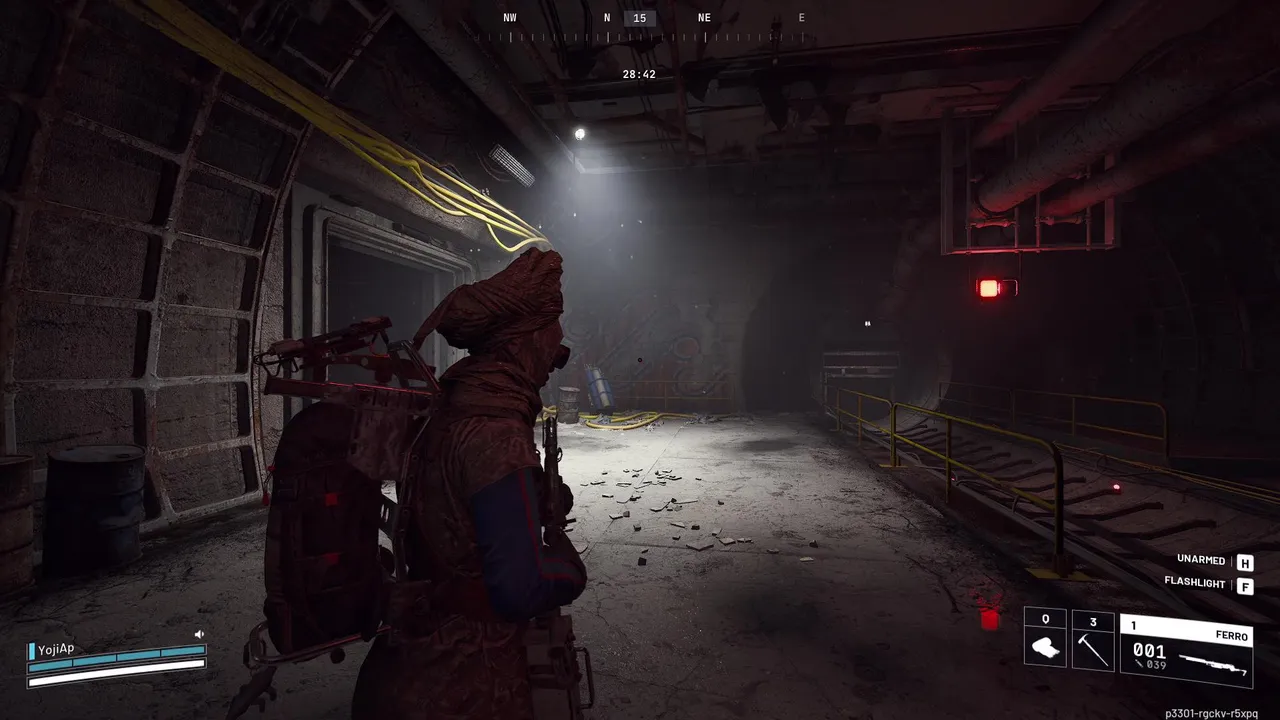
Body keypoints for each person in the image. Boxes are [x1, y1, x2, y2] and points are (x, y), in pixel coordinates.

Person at [351, 247, 587, 720]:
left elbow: (453, 504)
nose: (556, 356)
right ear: (521, 342)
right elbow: (520, 589)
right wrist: (570, 570)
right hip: (464, 684)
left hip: (404, 662)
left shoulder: (447, 406)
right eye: (551, 336)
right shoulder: (496, 432)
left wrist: (534, 496)